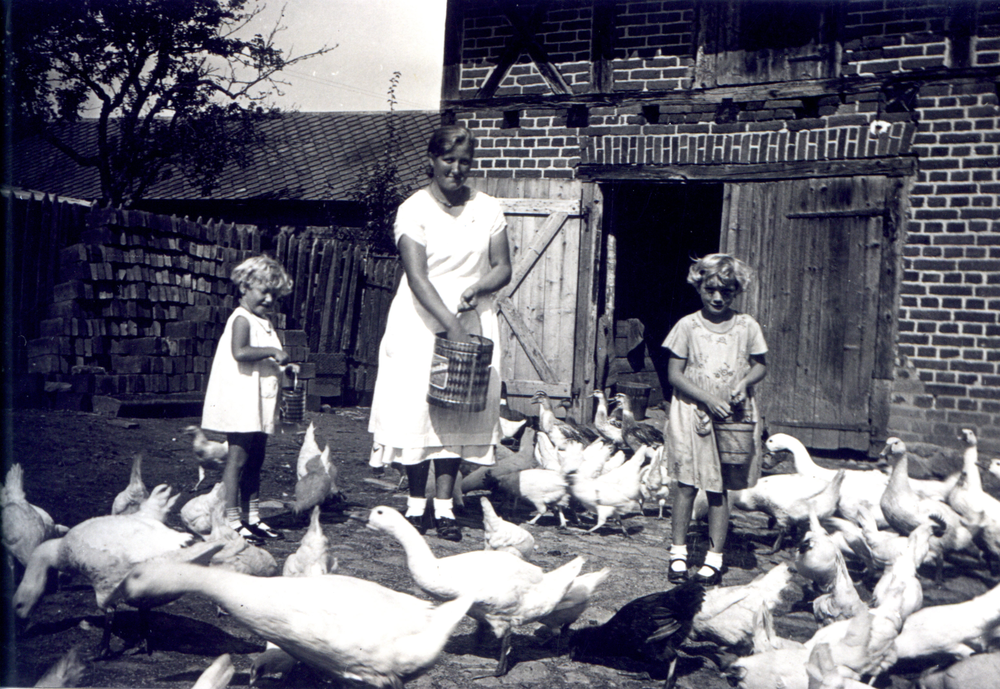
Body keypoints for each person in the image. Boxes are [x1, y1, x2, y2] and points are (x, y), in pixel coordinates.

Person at [368, 125, 512, 542]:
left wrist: (478, 288)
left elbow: (502, 266)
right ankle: (416, 506)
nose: (456, 169)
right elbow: (417, 276)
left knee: (458, 407)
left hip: (472, 313)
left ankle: (446, 509)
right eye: (448, 160)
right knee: (419, 408)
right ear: (432, 160)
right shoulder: (413, 209)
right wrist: (451, 327)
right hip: (421, 318)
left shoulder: (488, 208)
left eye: (464, 161)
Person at [663, 254, 767, 585]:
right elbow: (674, 375)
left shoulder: (747, 326)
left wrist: (743, 383)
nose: (718, 298)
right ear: (699, 287)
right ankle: (678, 553)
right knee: (686, 484)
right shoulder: (687, 326)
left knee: (720, 488)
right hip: (691, 413)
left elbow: (760, 365)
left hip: (730, 418)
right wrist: (707, 398)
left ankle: (714, 558)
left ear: (736, 292)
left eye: (727, 291)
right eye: (711, 290)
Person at [202, 255, 295, 542]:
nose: (268, 299)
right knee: (238, 460)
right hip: (242, 401)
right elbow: (240, 352)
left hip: (260, 402)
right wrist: (271, 351)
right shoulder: (241, 318)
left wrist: (283, 368)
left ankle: (253, 517)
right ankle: (232, 520)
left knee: (256, 460)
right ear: (244, 287)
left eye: (274, 294)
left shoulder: (264, 321)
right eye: (263, 291)